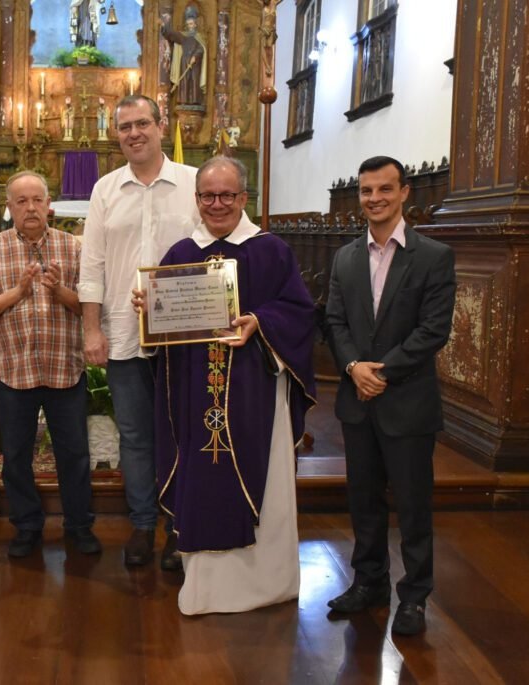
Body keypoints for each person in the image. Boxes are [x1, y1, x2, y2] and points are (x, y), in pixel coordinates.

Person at [132, 157, 316, 615]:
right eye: (208, 196)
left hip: (255, 393)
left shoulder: (271, 251)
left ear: (244, 198)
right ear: (196, 200)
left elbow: (300, 312)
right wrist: (148, 312)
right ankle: (206, 590)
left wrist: (258, 321)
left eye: (227, 195)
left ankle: (266, 583)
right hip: (194, 393)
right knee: (200, 475)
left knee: (261, 476)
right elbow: (165, 331)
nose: (217, 204)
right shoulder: (180, 253)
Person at [324, 155, 456, 636]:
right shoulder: (345, 257)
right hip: (358, 400)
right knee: (363, 501)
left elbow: (432, 330)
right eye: (366, 191)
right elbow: (335, 322)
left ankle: (415, 596)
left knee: (413, 505)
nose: (374, 199)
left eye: (384, 189)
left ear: (405, 193)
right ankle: (370, 582)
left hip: (408, 402)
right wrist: (354, 367)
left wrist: (381, 371)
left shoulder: (434, 256)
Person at [78, 94, 201, 569]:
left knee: (183, 432)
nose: (134, 133)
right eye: (124, 126)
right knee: (134, 436)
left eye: (142, 123)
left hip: (184, 336)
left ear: (160, 124)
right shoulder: (105, 190)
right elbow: (93, 267)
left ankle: (179, 527)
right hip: (126, 336)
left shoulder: (193, 183)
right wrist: (93, 329)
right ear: (117, 134)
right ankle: (143, 524)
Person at [0, 171, 100, 559]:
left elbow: (88, 306)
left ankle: (79, 525)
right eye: (21, 201)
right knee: (17, 456)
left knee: (74, 454)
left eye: (36, 200)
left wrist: (58, 290)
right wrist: (19, 291)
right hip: (14, 373)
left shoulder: (73, 248)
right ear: (8, 208)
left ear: (49, 205)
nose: (30, 208)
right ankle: (27, 526)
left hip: (64, 370)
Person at [161, 7, 208, 108]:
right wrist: (164, 28)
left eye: (191, 24)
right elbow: (173, 35)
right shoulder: (183, 36)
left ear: (195, 24)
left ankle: (195, 101)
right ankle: (183, 100)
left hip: (196, 63)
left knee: (194, 80)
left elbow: (201, 48)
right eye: (188, 24)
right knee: (184, 80)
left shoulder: (199, 37)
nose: (190, 26)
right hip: (185, 60)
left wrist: (195, 56)